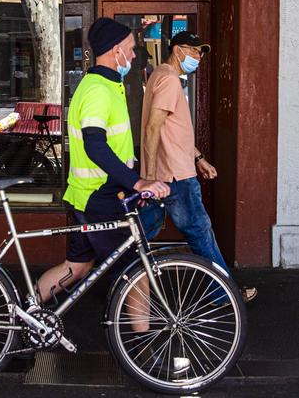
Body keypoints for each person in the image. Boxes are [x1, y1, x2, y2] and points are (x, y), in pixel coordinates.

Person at [36, 18, 170, 306]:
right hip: (99, 196)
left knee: (77, 266)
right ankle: (140, 348)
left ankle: (26, 316)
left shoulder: (109, 84)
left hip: (92, 193)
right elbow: (95, 144)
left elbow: (116, 147)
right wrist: (138, 181)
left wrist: (132, 184)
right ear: (115, 50)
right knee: (136, 273)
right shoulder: (97, 89)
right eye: (131, 49)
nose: (134, 56)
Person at [140, 30, 257, 302]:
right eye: (194, 51)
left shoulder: (159, 75)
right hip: (174, 176)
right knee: (200, 231)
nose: (198, 57)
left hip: (167, 171)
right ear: (178, 49)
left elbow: (172, 131)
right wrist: (148, 176)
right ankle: (224, 292)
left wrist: (199, 158)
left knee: (143, 233)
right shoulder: (169, 80)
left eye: (201, 52)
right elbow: (152, 129)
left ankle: (123, 282)